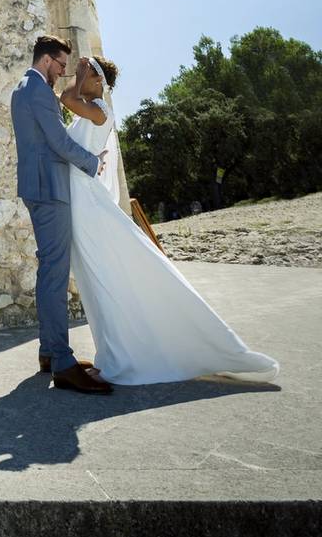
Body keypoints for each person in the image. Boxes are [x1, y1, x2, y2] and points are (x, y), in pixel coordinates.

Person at [58, 54, 279, 385]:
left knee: (104, 278)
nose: (78, 73)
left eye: (85, 71)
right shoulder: (88, 111)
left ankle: (121, 358)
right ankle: (113, 355)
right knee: (95, 281)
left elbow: (65, 97)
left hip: (89, 208)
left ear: (98, 81)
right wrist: (83, 74)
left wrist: (78, 75)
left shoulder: (101, 112)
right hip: (81, 205)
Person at [10, 35, 112, 395]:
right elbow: (57, 139)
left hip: (39, 187)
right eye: (61, 66)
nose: (63, 73)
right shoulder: (36, 90)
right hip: (49, 189)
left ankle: (49, 352)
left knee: (49, 269)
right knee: (55, 273)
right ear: (47, 60)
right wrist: (91, 162)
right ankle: (64, 364)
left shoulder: (23, 88)